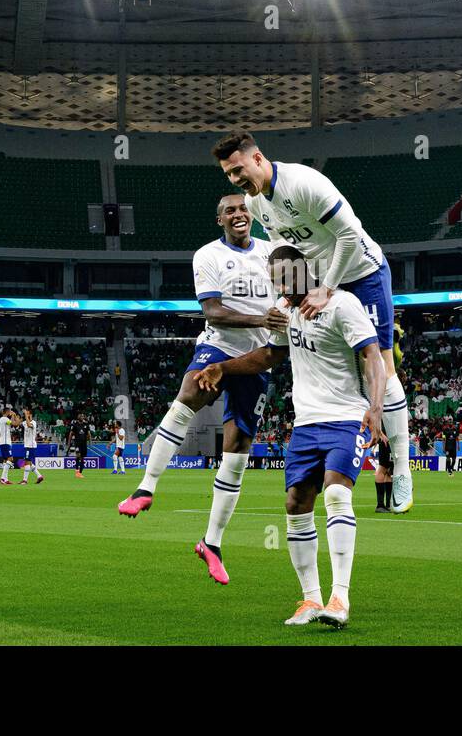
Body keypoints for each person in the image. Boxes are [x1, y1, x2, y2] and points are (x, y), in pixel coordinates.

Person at [212, 132, 414, 514]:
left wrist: (327, 287)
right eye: (228, 174)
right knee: (351, 368)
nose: (236, 179)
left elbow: (351, 235)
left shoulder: (303, 183)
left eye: (238, 169)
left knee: (382, 362)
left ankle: (401, 466)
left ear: (257, 158)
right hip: (319, 280)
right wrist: (289, 292)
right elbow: (288, 250)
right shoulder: (257, 203)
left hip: (361, 272)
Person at [193, 245, 387, 629]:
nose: (278, 284)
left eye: (283, 276)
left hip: (347, 419)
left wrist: (376, 407)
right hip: (306, 425)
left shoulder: (342, 304)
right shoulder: (284, 312)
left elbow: (373, 356)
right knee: (296, 504)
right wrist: (223, 369)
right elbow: (267, 356)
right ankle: (311, 599)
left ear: (304, 270)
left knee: (335, 493)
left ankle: (340, 597)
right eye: (274, 278)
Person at [118, 194, 285, 586]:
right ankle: (146, 486)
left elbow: (290, 292)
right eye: (230, 211)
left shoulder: (273, 251)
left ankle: (212, 543)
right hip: (218, 344)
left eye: (243, 209)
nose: (239, 214)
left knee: (238, 448)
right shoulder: (207, 255)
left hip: (258, 355)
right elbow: (213, 311)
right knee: (189, 394)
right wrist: (264, 316)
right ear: (219, 220)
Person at [18, 409, 44, 485]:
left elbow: (29, 425)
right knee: (29, 462)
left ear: (31, 414)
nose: (26, 415)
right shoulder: (25, 423)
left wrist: (26, 414)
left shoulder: (33, 423)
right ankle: (39, 476)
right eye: (26, 414)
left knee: (27, 462)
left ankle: (25, 480)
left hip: (31, 446)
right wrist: (15, 416)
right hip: (27, 445)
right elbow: (17, 424)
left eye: (28, 413)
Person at [0, 408, 18, 486]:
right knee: (10, 459)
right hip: (5, 442)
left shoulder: (4, 419)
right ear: (7, 412)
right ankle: (2, 478)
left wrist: (13, 416)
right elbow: (14, 424)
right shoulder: (4, 419)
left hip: (5, 442)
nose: (10, 412)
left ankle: (5, 479)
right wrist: (14, 415)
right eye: (9, 411)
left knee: (6, 460)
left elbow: (12, 423)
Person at [69, 414, 90, 479]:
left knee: (82, 458)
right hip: (77, 443)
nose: (82, 417)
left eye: (83, 416)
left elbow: (88, 434)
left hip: (84, 443)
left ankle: (80, 473)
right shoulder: (75, 425)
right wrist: (69, 442)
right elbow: (71, 433)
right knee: (78, 455)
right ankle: (77, 471)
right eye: (81, 416)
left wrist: (89, 440)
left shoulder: (86, 425)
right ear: (78, 418)